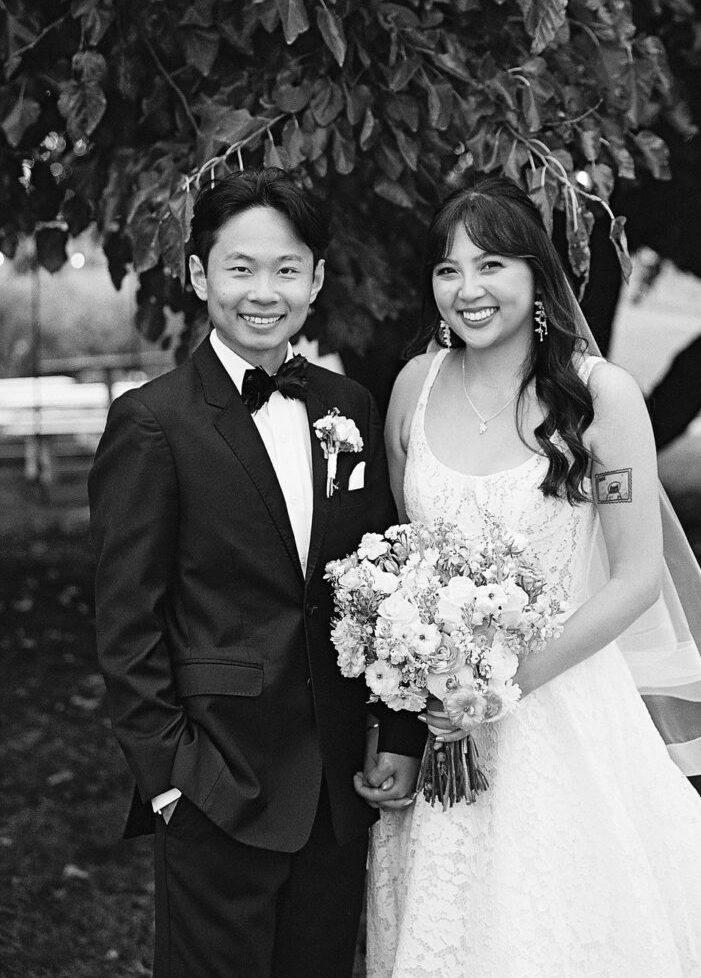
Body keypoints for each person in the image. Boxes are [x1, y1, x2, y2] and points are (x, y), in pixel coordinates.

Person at [366, 177, 701, 977]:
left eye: (491, 265)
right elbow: (402, 571)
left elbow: (635, 577)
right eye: (448, 271)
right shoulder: (415, 385)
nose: (468, 290)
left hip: (563, 708)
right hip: (440, 719)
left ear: (536, 276)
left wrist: (504, 683)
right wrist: (413, 721)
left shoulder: (598, 396)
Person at [88, 168, 423, 978]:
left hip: (339, 790)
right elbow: (126, 619)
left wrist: (397, 732)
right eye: (240, 268)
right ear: (201, 276)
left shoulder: (351, 406)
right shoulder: (152, 422)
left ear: (315, 278)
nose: (263, 292)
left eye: (285, 269)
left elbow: (387, 585)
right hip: (216, 781)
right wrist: (170, 778)